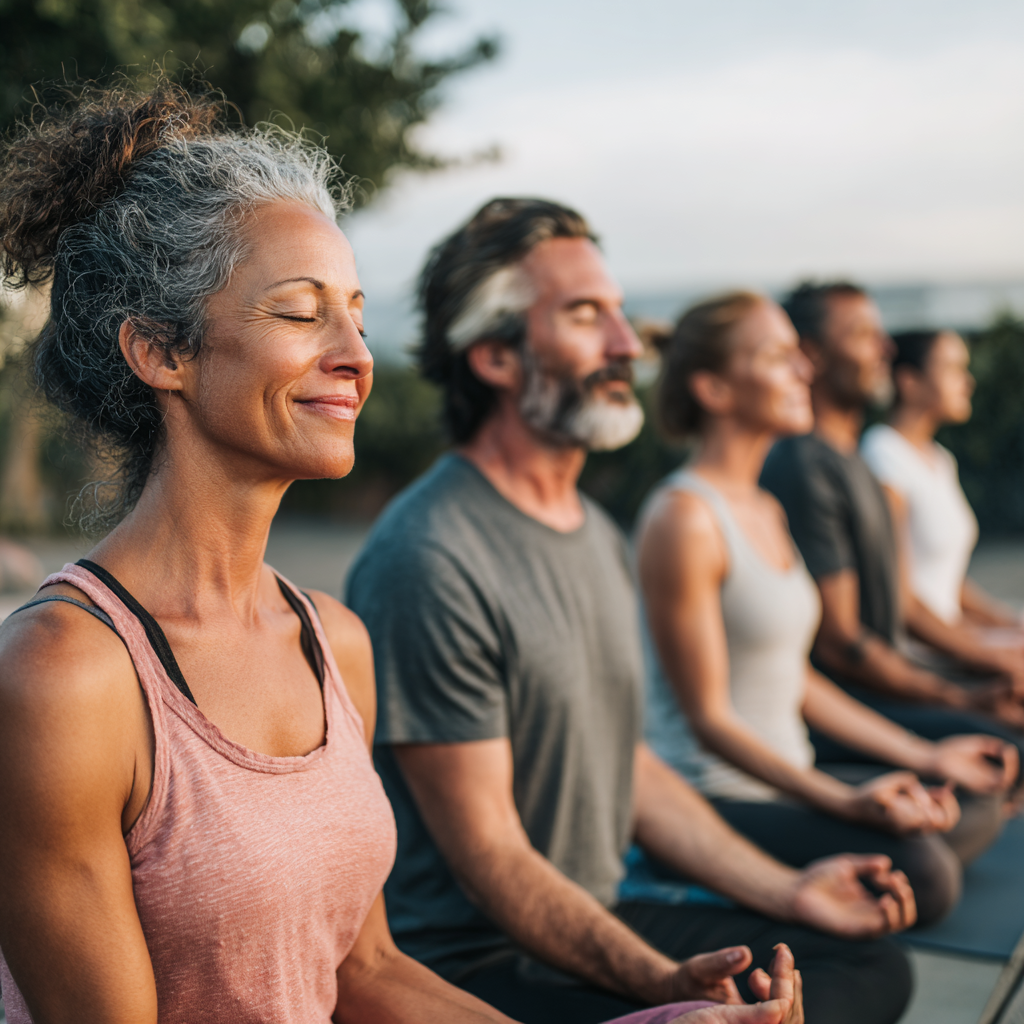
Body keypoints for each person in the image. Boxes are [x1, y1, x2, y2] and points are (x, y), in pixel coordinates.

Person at [0, 85, 774, 1024]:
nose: (356, 353)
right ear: (161, 352)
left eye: (357, 314)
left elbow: (364, 971)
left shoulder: (334, 643)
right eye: (300, 313)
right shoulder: (66, 677)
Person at [346, 199, 917, 1024]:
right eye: (586, 316)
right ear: (497, 356)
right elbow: (491, 856)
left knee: (862, 960)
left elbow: (634, 768)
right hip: (485, 962)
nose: (626, 344)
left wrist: (791, 891)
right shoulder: (428, 556)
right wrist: (662, 987)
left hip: (599, 908)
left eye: (618, 313)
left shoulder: (596, 534)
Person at [636, 291, 1016, 931]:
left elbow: (796, 678)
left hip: (793, 771)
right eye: (780, 357)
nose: (804, 370)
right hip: (717, 798)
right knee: (924, 871)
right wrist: (845, 800)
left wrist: (925, 758)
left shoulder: (765, 508)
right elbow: (709, 721)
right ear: (714, 389)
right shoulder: (684, 519)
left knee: (968, 799)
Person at [759, 282, 1024, 766]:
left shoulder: (852, 458)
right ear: (812, 355)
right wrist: (961, 693)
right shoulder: (806, 466)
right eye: (862, 334)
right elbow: (841, 645)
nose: (884, 347)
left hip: (887, 681)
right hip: (851, 703)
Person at [861, 329, 1024, 640]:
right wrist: (984, 649)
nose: (968, 382)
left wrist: (1010, 622)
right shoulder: (883, 456)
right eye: (951, 369)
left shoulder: (940, 460)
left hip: (952, 640)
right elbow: (900, 597)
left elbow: (945, 581)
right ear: (908, 381)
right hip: (924, 653)